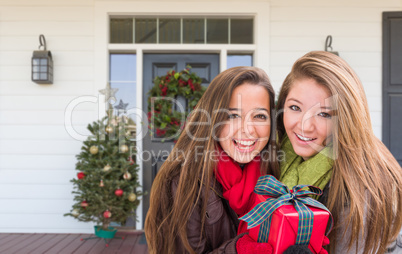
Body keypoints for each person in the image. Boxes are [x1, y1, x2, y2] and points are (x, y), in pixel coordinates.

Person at [276, 51, 402, 254]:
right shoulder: (281, 156)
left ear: (346, 118)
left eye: (324, 113)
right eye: (295, 107)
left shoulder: (359, 189)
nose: (305, 126)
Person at [145, 66, 280, 254]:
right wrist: (239, 250)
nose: (248, 129)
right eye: (232, 115)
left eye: (259, 116)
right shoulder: (185, 180)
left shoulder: (276, 173)